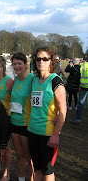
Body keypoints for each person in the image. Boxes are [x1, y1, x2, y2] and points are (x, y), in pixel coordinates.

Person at [29, 46, 66, 180]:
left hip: (48, 133)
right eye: (38, 59)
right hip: (32, 130)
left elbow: (63, 110)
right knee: (37, 168)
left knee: (47, 169)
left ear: (51, 61)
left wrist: (56, 134)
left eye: (45, 58)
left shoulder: (55, 81)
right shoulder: (34, 80)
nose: (41, 62)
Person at [10, 53, 34, 181]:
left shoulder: (32, 80)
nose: (17, 66)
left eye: (19, 63)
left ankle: (32, 178)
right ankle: (21, 178)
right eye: (14, 64)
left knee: (28, 155)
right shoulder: (15, 80)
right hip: (14, 122)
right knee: (19, 154)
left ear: (26, 65)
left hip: (27, 123)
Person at [72, 55, 88, 124]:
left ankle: (78, 118)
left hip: (83, 86)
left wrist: (78, 84)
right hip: (83, 86)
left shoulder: (82, 65)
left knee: (81, 103)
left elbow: (77, 77)